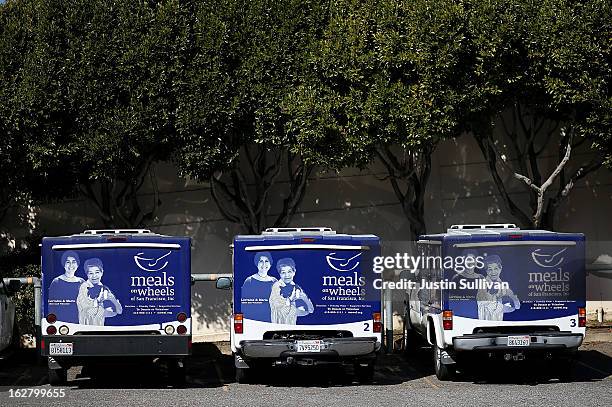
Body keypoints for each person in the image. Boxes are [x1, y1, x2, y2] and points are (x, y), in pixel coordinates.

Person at [77, 258, 122, 326]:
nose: (94, 276)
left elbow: (119, 311)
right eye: (91, 273)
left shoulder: (104, 288)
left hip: (100, 328)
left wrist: (113, 300)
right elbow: (90, 312)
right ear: (87, 274)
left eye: (97, 272)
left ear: (102, 272)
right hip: (86, 328)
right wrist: (111, 312)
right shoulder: (84, 287)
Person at [269, 258, 314, 325]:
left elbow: (311, 310)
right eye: (283, 272)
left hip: (291, 325)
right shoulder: (276, 287)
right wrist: (292, 298)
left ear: (294, 272)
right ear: (279, 274)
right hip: (278, 326)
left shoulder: (296, 287)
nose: (287, 275)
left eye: (289, 272)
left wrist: (305, 298)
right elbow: (285, 311)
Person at [477, 255, 520, 321]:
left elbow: (517, 306)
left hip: (498, 324)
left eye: (496, 268)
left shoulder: (503, 285)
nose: (493, 272)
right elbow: (492, 308)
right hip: (486, 325)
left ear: (500, 268)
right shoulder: (483, 286)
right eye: (490, 269)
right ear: (486, 271)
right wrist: (508, 305)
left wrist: (512, 299)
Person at [48, 251, 85, 323]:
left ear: (77, 264)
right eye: (68, 262)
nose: (71, 265)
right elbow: (52, 306)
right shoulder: (56, 282)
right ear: (64, 264)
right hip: (62, 322)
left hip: (79, 321)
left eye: (74, 262)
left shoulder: (82, 282)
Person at [240, 252, 277, 322]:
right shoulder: (249, 281)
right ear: (257, 263)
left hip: (271, 320)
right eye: (261, 261)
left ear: (270, 264)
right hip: (254, 320)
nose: (264, 264)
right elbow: (245, 305)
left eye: (266, 261)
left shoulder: (274, 281)